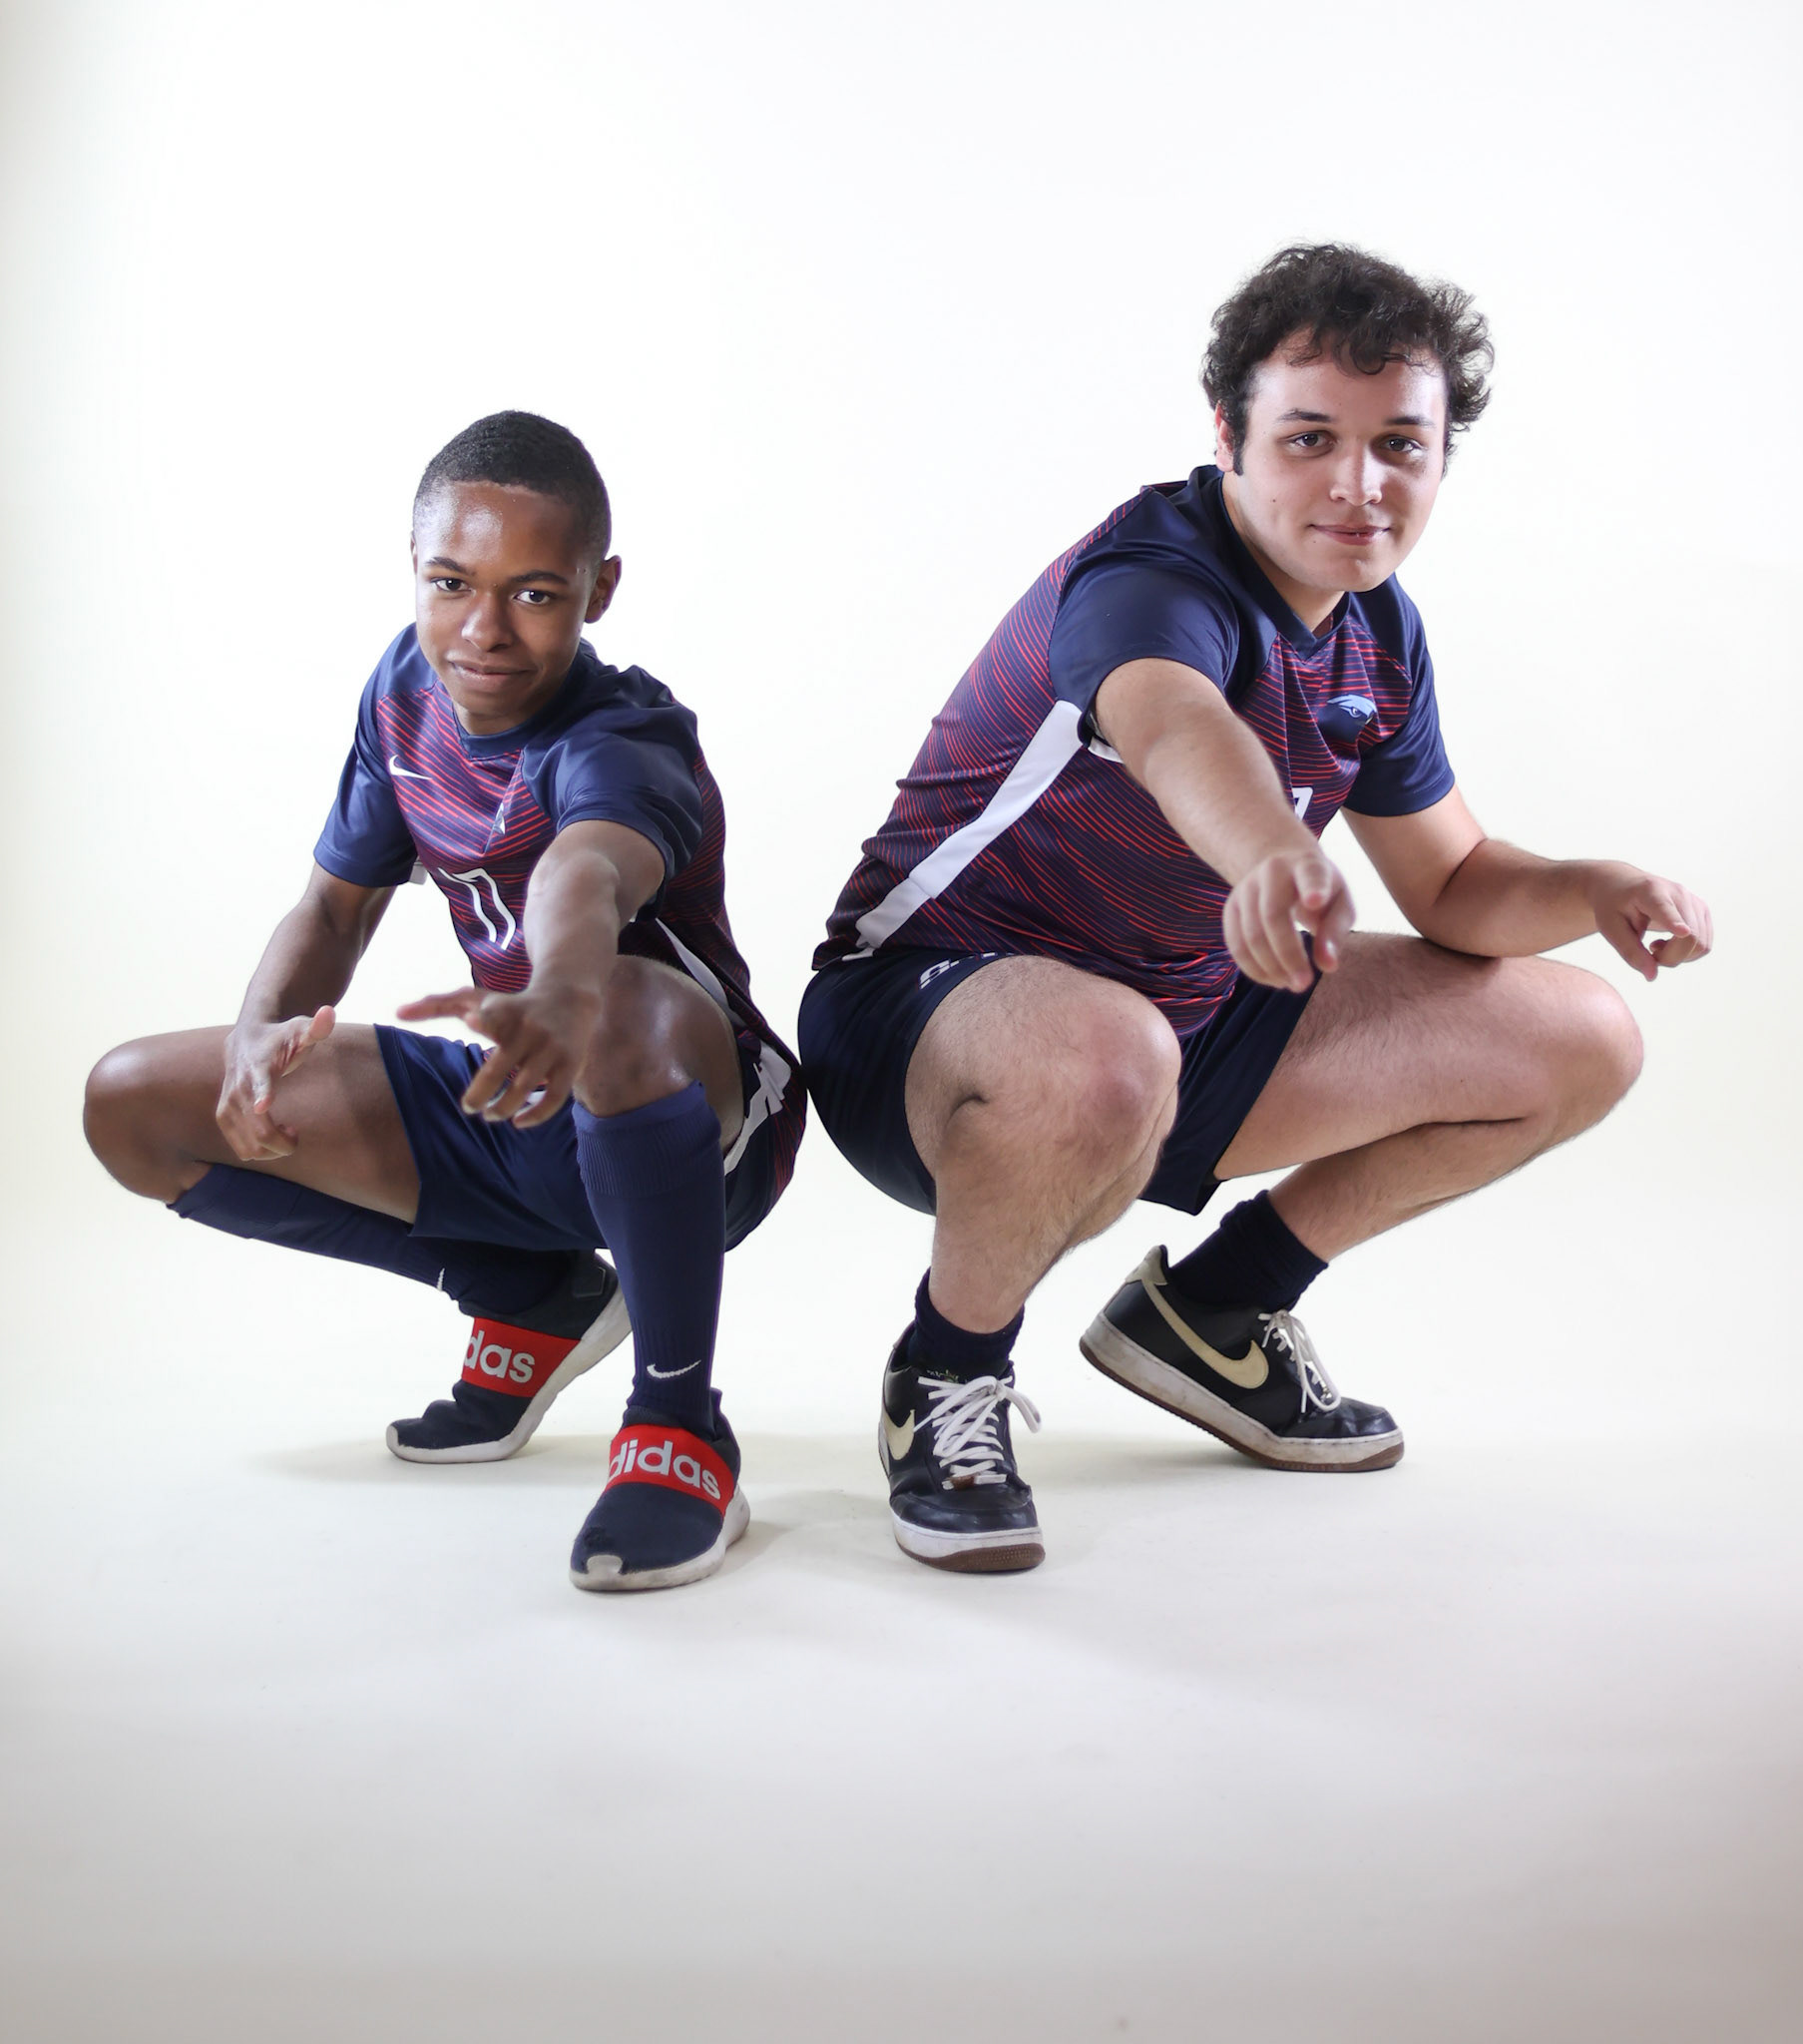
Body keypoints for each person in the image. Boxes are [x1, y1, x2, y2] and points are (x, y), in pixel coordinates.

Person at [799, 245, 1712, 1575]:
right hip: (922, 1026)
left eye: (1399, 444)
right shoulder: (1149, 576)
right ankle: (946, 1371)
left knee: (1583, 1036)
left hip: (1180, 1028)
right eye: (1309, 439)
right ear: (1226, 437)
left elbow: (1454, 884)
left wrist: (1593, 888)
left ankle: (1216, 1315)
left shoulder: (1377, 635)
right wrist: (1270, 851)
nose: (1358, 483)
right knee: (1106, 1051)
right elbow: (1175, 726)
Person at [84, 411, 804, 1593]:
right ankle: (528, 1294)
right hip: (515, 1096)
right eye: (452, 583)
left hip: (689, 1121)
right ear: (415, 570)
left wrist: (561, 990)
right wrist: (260, 1035)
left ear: (599, 590)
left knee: (616, 1004)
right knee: (134, 1104)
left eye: (535, 593)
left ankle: (679, 1422)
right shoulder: (405, 690)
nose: (484, 630)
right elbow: (333, 912)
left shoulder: (625, 736)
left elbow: (585, 872)